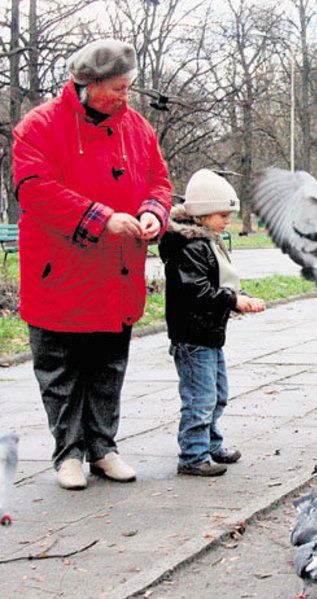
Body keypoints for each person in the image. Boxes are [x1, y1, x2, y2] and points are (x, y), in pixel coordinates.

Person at [12, 39, 172, 490]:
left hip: (116, 274)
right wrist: (101, 219)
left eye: (128, 88)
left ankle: (102, 448)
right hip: (59, 274)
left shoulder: (137, 128)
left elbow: (159, 182)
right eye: (118, 89)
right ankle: (68, 453)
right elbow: (33, 188)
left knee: (107, 367)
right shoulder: (40, 126)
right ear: (88, 84)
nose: (125, 97)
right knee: (61, 372)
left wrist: (151, 213)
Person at [159, 169, 265, 476]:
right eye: (223, 215)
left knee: (217, 393)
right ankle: (192, 454)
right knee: (199, 397)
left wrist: (238, 296)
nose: (227, 222)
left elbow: (218, 282)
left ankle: (210, 443)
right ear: (203, 214)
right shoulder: (189, 247)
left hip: (209, 334)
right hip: (193, 337)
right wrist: (232, 300)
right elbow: (197, 290)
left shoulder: (209, 242)